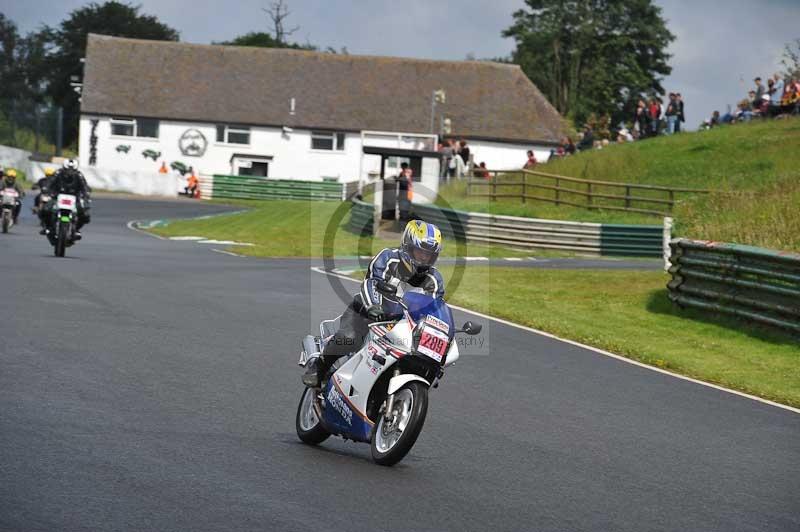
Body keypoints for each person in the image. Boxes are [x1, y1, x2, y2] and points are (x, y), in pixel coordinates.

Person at [302, 219, 445, 388]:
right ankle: (319, 366)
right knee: (350, 338)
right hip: (367, 312)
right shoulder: (388, 258)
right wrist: (373, 307)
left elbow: (436, 309)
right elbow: (371, 283)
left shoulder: (434, 280)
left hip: (404, 327)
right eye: (420, 252)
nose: (424, 258)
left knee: (421, 359)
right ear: (407, 246)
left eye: (429, 255)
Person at [44, 159, 91, 237]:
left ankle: (76, 229)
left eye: (72, 170)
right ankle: (48, 227)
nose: (70, 172)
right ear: (63, 168)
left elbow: (84, 186)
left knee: (85, 214)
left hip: (75, 198)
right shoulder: (58, 173)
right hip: (57, 196)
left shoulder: (79, 175)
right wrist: (46, 188)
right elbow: (50, 181)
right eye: (67, 170)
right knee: (46, 209)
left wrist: (86, 194)